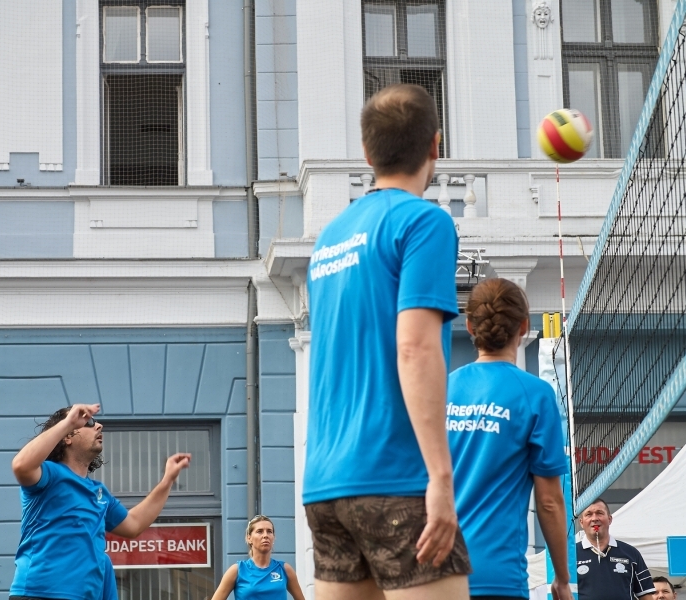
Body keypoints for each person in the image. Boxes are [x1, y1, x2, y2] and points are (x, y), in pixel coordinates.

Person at [303, 83, 471, 600]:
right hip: (395, 477)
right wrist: (441, 477)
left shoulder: (329, 238)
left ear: (367, 153)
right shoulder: (424, 222)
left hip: (327, 486)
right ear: (435, 147)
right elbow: (414, 348)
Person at [447, 278, 573, 600]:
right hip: (497, 576)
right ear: (525, 327)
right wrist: (560, 577)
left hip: (434, 572)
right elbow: (549, 501)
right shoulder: (536, 394)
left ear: (471, 326)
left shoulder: (441, 389)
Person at [9, 403, 191, 600]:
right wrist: (69, 422)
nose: (99, 426)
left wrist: (167, 481)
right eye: (89, 422)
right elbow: (21, 466)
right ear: (68, 437)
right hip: (39, 594)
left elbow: (134, 525)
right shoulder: (49, 474)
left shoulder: (99, 492)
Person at [210, 515, 305, 600]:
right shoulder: (237, 570)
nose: (265, 536)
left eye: (269, 532)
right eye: (259, 531)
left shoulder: (284, 569)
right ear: (249, 538)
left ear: (274, 538)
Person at [576, 498, 655, 600]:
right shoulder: (570, 555)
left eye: (599, 513)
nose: (594, 518)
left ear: (609, 519)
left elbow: (646, 595)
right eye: (589, 514)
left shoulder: (631, 553)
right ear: (581, 522)